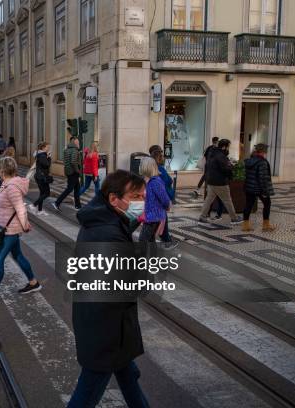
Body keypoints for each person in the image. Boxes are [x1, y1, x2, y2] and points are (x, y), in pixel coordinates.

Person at [69, 170, 149, 408]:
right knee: (87, 394)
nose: (141, 202)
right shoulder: (106, 233)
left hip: (109, 324)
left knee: (128, 377)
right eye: (136, 197)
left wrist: (135, 221)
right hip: (106, 330)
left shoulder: (104, 220)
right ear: (114, 199)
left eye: (143, 196)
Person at [0, 157, 41, 303]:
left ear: (3, 170)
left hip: (10, 230)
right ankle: (33, 283)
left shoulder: (12, 187)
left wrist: (25, 224)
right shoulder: (6, 184)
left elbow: (21, 208)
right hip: (6, 228)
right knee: (18, 256)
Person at [199, 139, 242, 225]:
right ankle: (234, 218)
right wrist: (231, 166)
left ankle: (202, 216)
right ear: (224, 147)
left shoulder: (212, 153)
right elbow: (225, 169)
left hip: (211, 181)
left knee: (208, 200)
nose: (228, 149)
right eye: (228, 147)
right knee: (227, 200)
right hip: (220, 182)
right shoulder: (221, 156)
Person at [138, 157, 172, 244]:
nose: (140, 166)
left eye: (141, 165)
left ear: (146, 167)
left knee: (143, 240)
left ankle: (142, 257)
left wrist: (166, 207)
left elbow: (164, 199)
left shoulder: (155, 182)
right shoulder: (148, 181)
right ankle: (152, 257)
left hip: (154, 217)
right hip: (151, 215)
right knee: (150, 240)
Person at [243, 143, 276, 232]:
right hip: (259, 188)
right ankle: (266, 225)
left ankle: (245, 225)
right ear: (263, 151)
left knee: (248, 205)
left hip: (249, 187)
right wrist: (265, 191)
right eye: (265, 151)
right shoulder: (262, 162)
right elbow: (263, 178)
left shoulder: (249, 161)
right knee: (267, 203)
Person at [148, 147, 177, 248]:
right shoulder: (159, 169)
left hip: (152, 199)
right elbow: (168, 181)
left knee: (160, 219)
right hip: (159, 200)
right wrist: (166, 202)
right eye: (161, 156)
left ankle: (165, 238)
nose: (163, 158)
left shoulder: (150, 167)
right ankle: (166, 240)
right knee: (160, 219)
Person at [53, 137, 82, 211]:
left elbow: (67, 161)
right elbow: (73, 162)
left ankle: (78, 205)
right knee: (70, 189)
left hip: (68, 171)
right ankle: (57, 202)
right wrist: (78, 171)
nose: (79, 144)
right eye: (78, 142)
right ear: (74, 143)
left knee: (77, 188)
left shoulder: (67, 149)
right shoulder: (75, 150)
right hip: (73, 172)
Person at [30, 142, 52, 215]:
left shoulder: (40, 154)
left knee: (42, 193)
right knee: (47, 193)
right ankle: (34, 205)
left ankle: (39, 210)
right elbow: (46, 165)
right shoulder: (42, 155)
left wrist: (47, 156)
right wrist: (49, 158)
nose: (48, 148)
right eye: (47, 147)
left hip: (39, 176)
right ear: (43, 148)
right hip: (42, 177)